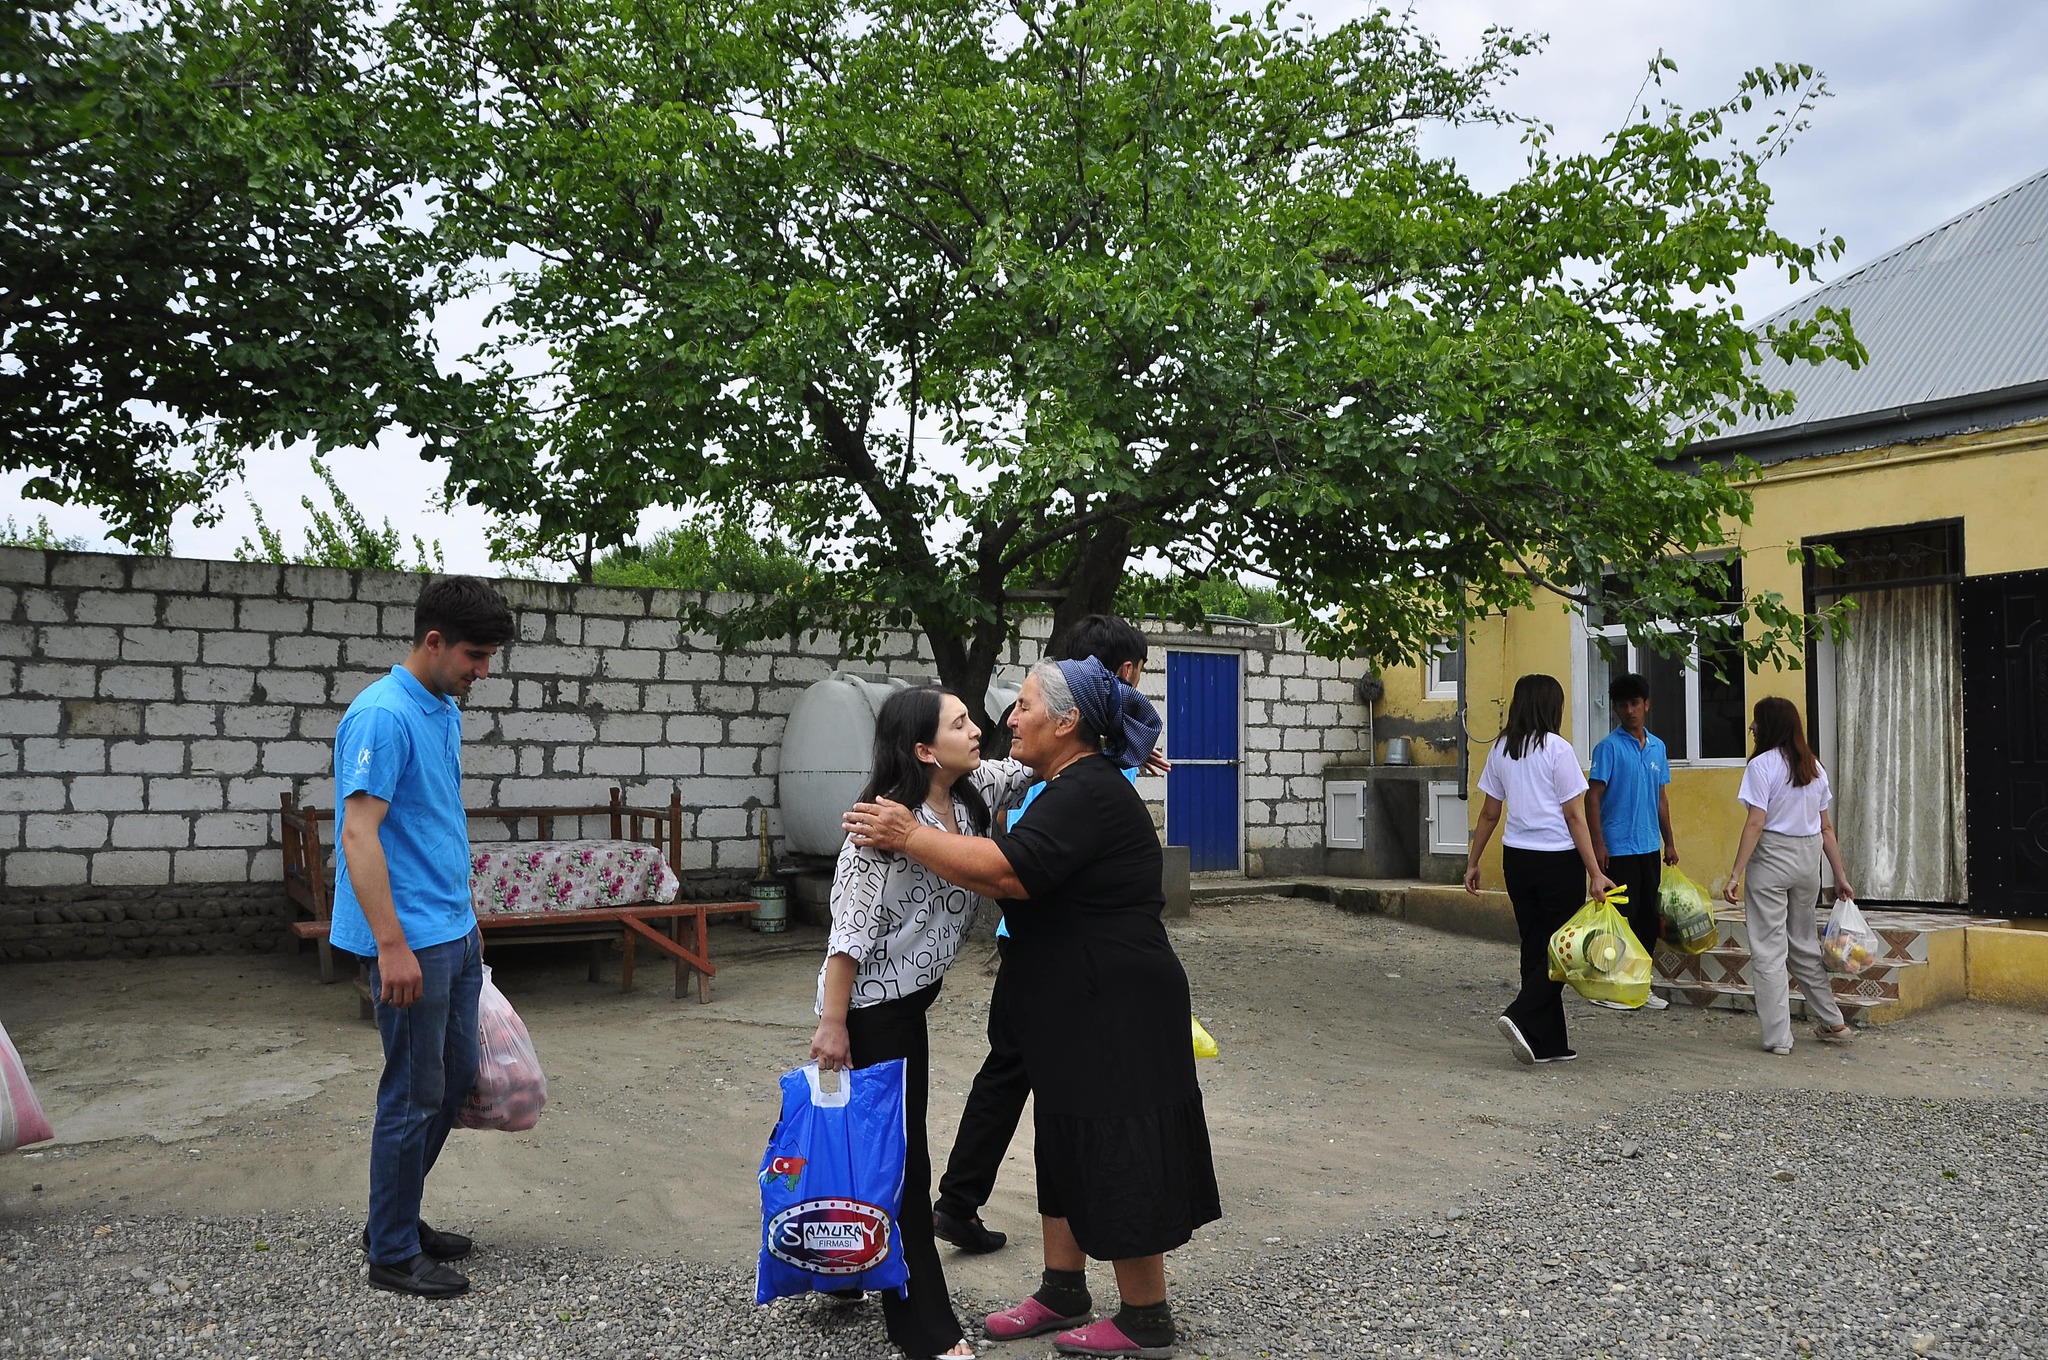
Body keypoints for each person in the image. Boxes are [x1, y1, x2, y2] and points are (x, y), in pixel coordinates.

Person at [848, 657, 1214, 1360]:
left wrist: (909, 835)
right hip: (1071, 1003)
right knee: (1065, 1137)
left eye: (1023, 706)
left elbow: (1011, 872)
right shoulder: (1059, 783)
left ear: (1067, 721)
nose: (1009, 719)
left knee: (1117, 1140)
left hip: (1114, 1001)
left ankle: (1145, 1316)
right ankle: (1062, 1289)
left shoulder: (1090, 791)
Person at [808, 687, 1035, 1359]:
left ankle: (841, 1265)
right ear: (923, 750)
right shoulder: (881, 828)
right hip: (872, 1010)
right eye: (961, 722)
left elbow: (1032, 763)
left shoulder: (967, 795)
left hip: (911, 999)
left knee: (863, 1142)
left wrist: (1127, 742)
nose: (980, 729)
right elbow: (846, 938)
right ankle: (925, 1331)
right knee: (904, 1160)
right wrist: (832, 1024)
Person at [932, 614, 1152, 1257]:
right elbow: (1011, 869)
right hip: (1045, 937)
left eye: (1021, 705)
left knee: (1023, 1075)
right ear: (1124, 674)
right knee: (1034, 1080)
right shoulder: (1065, 769)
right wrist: (916, 835)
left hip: (1052, 936)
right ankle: (971, 1209)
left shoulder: (1085, 769)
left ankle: (968, 1208)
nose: (1006, 720)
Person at [329, 575, 515, 1298]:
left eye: (490, 657)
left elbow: (430, 821)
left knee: (454, 1080)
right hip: (409, 939)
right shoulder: (382, 716)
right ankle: (392, 1253)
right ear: (432, 641)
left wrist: (466, 927)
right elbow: (358, 832)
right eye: (474, 655)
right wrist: (391, 945)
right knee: (412, 1093)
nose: (482, 672)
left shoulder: (441, 706)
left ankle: (393, 1220)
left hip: (453, 930)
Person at [1463, 673, 1618, 1066]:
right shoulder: (1558, 750)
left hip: (1517, 858)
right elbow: (1574, 816)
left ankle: (1547, 1042)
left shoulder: (1501, 749)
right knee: (1562, 952)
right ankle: (1520, 1013)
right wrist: (1594, 872)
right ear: (1552, 706)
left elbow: (1489, 813)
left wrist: (1473, 861)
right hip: (1556, 860)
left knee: (1534, 944)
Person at [1722, 696, 1859, 1055]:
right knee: (1802, 945)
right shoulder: (1814, 767)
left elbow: (1756, 822)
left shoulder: (1761, 766)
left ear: (1769, 727)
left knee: (1768, 950)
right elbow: (1826, 828)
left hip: (1771, 860)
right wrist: (1840, 876)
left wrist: (1735, 873)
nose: (1751, 727)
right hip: (1808, 862)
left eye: (1756, 721)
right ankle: (1833, 1021)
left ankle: (1779, 1038)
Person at [1585, 672, 1678, 1011]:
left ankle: (1640, 985)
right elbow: (1592, 798)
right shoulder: (1607, 748)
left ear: (1647, 705)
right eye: (1622, 705)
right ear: (1615, 709)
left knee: (1646, 919)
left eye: (1634, 703)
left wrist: (1670, 843)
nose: (1629, 711)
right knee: (1616, 921)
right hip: (1617, 849)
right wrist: (1597, 845)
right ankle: (1610, 986)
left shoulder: (1657, 747)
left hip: (1649, 847)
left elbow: (1661, 798)